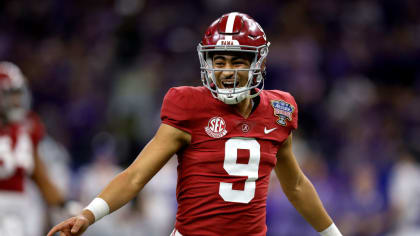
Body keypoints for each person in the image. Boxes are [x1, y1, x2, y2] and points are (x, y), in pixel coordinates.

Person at [48, 12, 342, 236]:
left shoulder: (280, 109)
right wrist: (89, 214)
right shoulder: (189, 105)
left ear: (258, 64)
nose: (226, 71)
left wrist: (332, 233)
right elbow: (136, 175)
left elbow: (297, 185)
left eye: (238, 61)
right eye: (219, 61)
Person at [0, 61, 69, 236]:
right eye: (10, 94)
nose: (17, 101)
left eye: (18, 94)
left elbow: (39, 173)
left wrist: (63, 203)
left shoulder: (29, 125)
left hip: (22, 203)